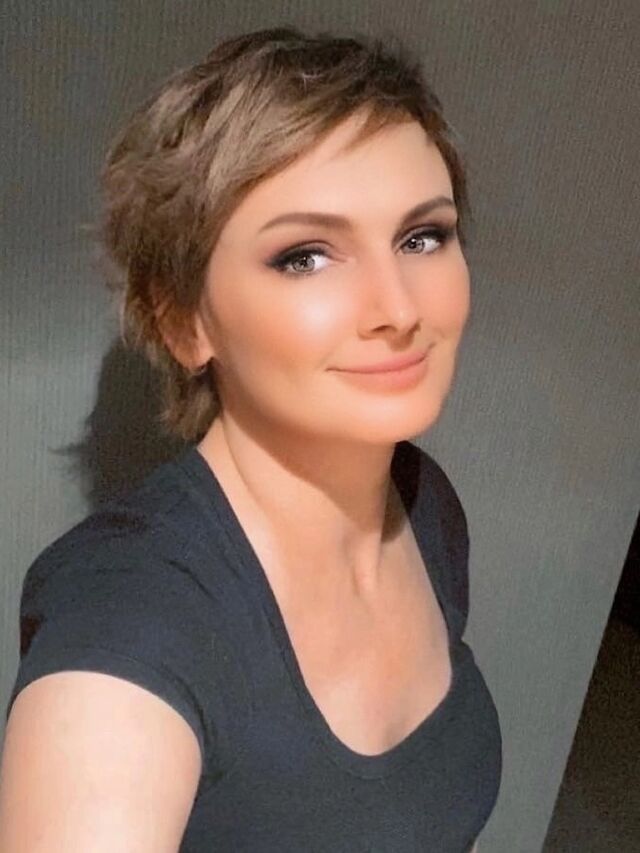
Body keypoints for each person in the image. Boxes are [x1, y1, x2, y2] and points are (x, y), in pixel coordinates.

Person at [0, 26, 501, 852]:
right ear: (183, 320)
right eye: (306, 256)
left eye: (422, 237)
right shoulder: (130, 627)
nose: (399, 307)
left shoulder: (426, 507)